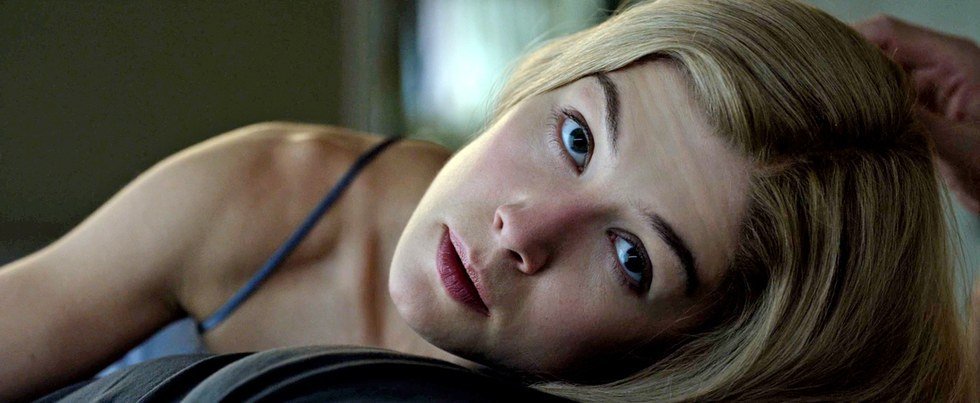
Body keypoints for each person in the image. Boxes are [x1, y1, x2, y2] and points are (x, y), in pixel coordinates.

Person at [1, 0, 977, 400]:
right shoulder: (273, 192)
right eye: (577, 136)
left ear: (695, 353)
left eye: (632, 256)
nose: (525, 229)